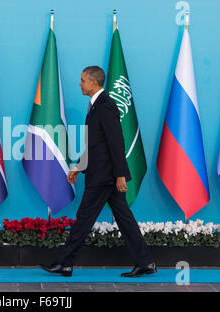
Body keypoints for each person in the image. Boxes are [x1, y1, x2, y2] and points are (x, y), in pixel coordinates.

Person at [39, 66, 156, 278]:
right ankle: (146, 262)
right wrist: (78, 166)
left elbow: (116, 142)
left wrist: (120, 174)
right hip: (103, 174)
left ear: (94, 82)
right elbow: (96, 145)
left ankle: (64, 263)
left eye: (83, 80)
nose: (80, 84)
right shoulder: (95, 106)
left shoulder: (105, 106)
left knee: (84, 218)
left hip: (104, 177)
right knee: (124, 219)